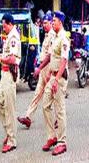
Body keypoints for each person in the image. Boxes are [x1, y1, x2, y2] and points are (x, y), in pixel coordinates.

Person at [18, 11, 55, 128]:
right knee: (37, 93)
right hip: (43, 68)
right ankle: (28, 117)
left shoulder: (53, 35)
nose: (43, 25)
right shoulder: (46, 35)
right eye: (43, 23)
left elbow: (49, 57)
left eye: (46, 23)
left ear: (50, 23)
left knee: (52, 96)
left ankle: (57, 119)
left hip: (49, 69)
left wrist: (39, 68)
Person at [41, 11, 69, 156]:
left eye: (54, 21)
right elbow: (50, 56)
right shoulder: (55, 37)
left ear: (60, 22)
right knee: (45, 105)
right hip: (52, 76)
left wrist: (56, 80)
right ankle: (52, 136)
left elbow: (64, 61)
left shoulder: (64, 38)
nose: (52, 23)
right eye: (52, 21)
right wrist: (39, 68)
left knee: (59, 110)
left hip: (59, 78)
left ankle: (62, 142)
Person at [0, 14, 21, 153]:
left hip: (10, 75)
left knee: (9, 108)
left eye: (4, 25)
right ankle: (9, 132)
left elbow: (12, 58)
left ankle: (12, 140)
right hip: (4, 75)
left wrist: (0, 58)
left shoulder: (14, 37)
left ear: (10, 23)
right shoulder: (9, 36)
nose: (3, 27)